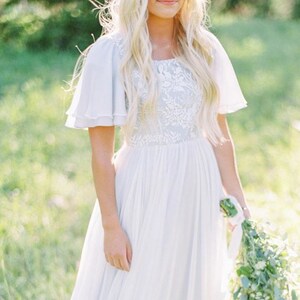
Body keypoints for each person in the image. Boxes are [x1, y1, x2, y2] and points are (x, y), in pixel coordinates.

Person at [65, 0, 251, 299]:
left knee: (191, 279)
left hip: (198, 186)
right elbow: (101, 153)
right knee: (141, 282)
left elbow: (220, 135)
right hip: (145, 186)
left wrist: (238, 204)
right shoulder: (111, 53)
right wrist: (111, 226)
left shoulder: (203, 47)